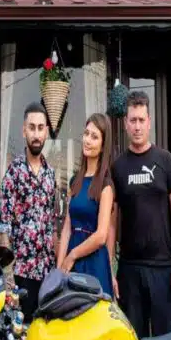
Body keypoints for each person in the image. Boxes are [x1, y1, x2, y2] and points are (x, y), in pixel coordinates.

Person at [108, 90, 171, 337]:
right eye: (133, 120)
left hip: (164, 270)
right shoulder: (118, 167)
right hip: (129, 271)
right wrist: (110, 269)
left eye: (141, 120)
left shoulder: (165, 161)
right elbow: (111, 223)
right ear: (125, 123)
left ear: (149, 122)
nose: (137, 126)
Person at [0, 101, 60, 320]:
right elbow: (3, 227)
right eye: (32, 128)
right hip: (20, 274)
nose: (36, 134)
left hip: (46, 274)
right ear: (24, 131)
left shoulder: (51, 174)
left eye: (40, 128)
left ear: (46, 132)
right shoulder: (13, 172)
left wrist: (59, 269)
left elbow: (52, 225)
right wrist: (8, 280)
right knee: (20, 335)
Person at [56, 113, 115, 295]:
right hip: (71, 263)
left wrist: (73, 255)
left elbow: (101, 236)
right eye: (86, 133)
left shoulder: (106, 185)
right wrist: (59, 270)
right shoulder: (75, 181)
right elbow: (67, 228)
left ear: (103, 146)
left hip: (94, 263)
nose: (87, 140)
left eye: (94, 137)